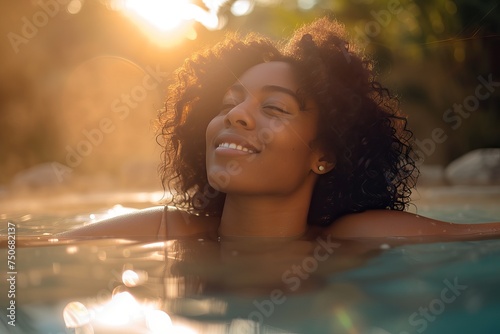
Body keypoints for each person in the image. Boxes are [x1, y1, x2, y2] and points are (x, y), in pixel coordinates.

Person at [59, 17, 500, 242]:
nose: (236, 115)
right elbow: (23, 247)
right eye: (229, 103)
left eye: (274, 107)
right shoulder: (167, 231)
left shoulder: (349, 238)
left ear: (324, 155)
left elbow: (479, 235)